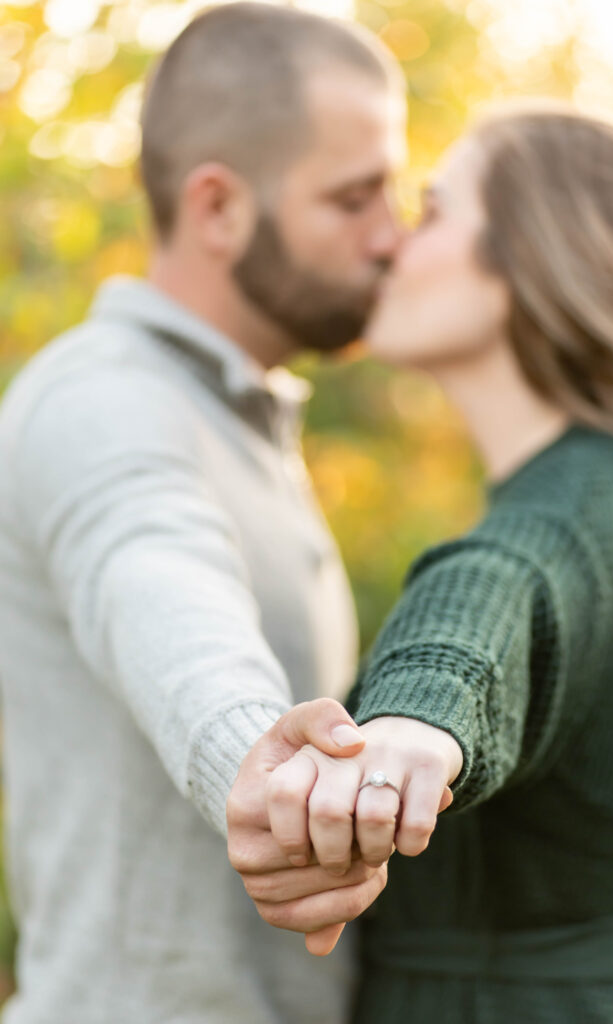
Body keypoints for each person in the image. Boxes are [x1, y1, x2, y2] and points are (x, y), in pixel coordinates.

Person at [228, 106, 613, 1022]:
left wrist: (407, 724)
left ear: (533, 256)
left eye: (433, 211)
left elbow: (497, 592)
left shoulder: (579, 511)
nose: (393, 243)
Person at [0, 4, 407, 1022]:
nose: (391, 237)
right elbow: (150, 570)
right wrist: (249, 756)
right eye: (355, 199)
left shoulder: (238, 415)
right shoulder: (101, 397)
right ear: (220, 207)